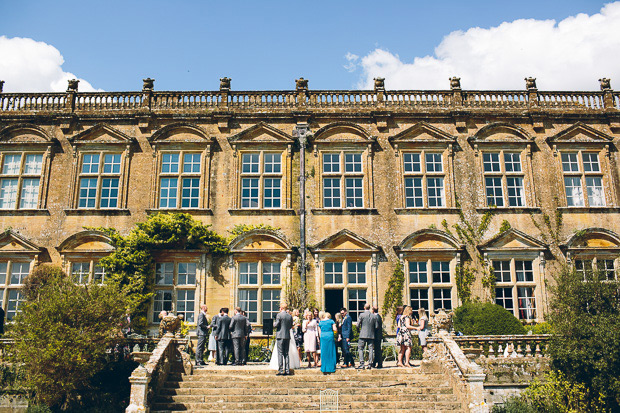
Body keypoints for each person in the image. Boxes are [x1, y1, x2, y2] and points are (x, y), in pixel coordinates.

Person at [274, 304, 294, 375]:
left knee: (280, 353)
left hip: (280, 335)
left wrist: (273, 324)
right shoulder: (290, 316)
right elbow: (291, 326)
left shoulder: (279, 315)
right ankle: (287, 370)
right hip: (287, 336)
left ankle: (281, 370)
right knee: (286, 353)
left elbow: (276, 325)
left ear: (281, 308)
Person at [357, 303, 375, 370]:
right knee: (371, 349)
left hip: (363, 334)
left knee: (360, 348)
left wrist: (359, 331)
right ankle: (370, 363)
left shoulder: (362, 315)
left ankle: (362, 363)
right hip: (371, 334)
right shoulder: (373, 316)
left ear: (364, 307)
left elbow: (357, 325)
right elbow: (376, 326)